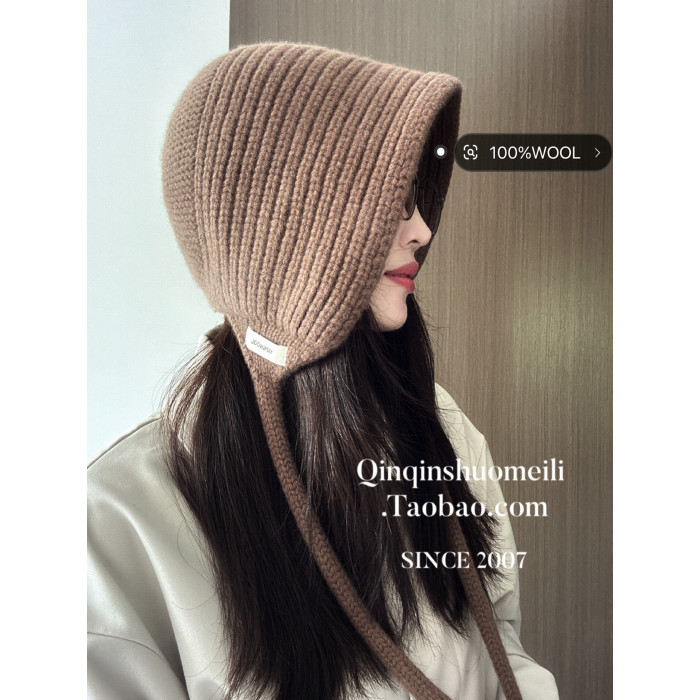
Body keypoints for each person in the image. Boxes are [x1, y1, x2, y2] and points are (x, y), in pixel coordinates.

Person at [87, 42, 559, 700]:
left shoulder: (440, 429)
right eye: (388, 201)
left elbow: (498, 640)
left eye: (416, 199)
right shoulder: (116, 519)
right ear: (286, 225)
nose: (422, 230)